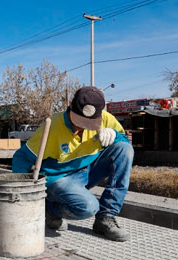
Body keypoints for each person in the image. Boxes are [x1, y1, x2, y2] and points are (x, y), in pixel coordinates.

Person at [12, 86, 133, 241]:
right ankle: (50, 209)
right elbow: (21, 157)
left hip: (86, 171)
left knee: (124, 149)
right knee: (89, 207)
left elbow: (124, 141)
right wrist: (24, 197)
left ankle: (105, 217)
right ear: (70, 108)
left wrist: (115, 135)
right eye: (78, 122)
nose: (80, 128)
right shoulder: (53, 127)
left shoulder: (106, 119)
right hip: (58, 178)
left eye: (87, 124)